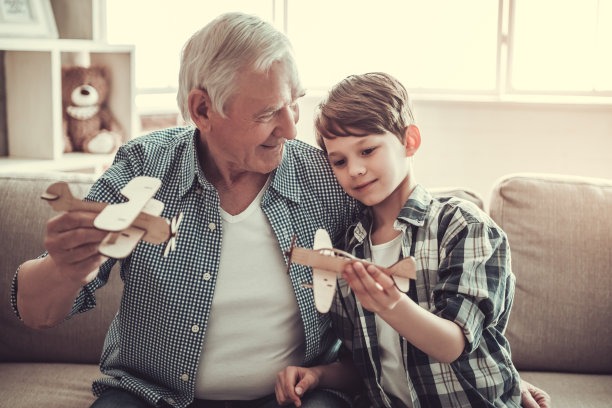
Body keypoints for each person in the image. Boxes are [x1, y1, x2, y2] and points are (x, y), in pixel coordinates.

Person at [11, 12, 548, 408]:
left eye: (295, 103)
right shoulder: (143, 168)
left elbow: (426, 267)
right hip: (150, 394)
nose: (292, 130)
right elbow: (38, 312)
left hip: (296, 396)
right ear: (203, 109)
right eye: (269, 112)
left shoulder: (327, 175)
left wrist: (497, 375)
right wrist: (66, 264)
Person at [275, 72, 550, 408]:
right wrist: (318, 375)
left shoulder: (463, 226)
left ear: (410, 141)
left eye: (368, 150)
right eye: (340, 161)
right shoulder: (348, 245)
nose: (355, 170)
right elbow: (365, 364)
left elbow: (453, 344)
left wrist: (391, 304)